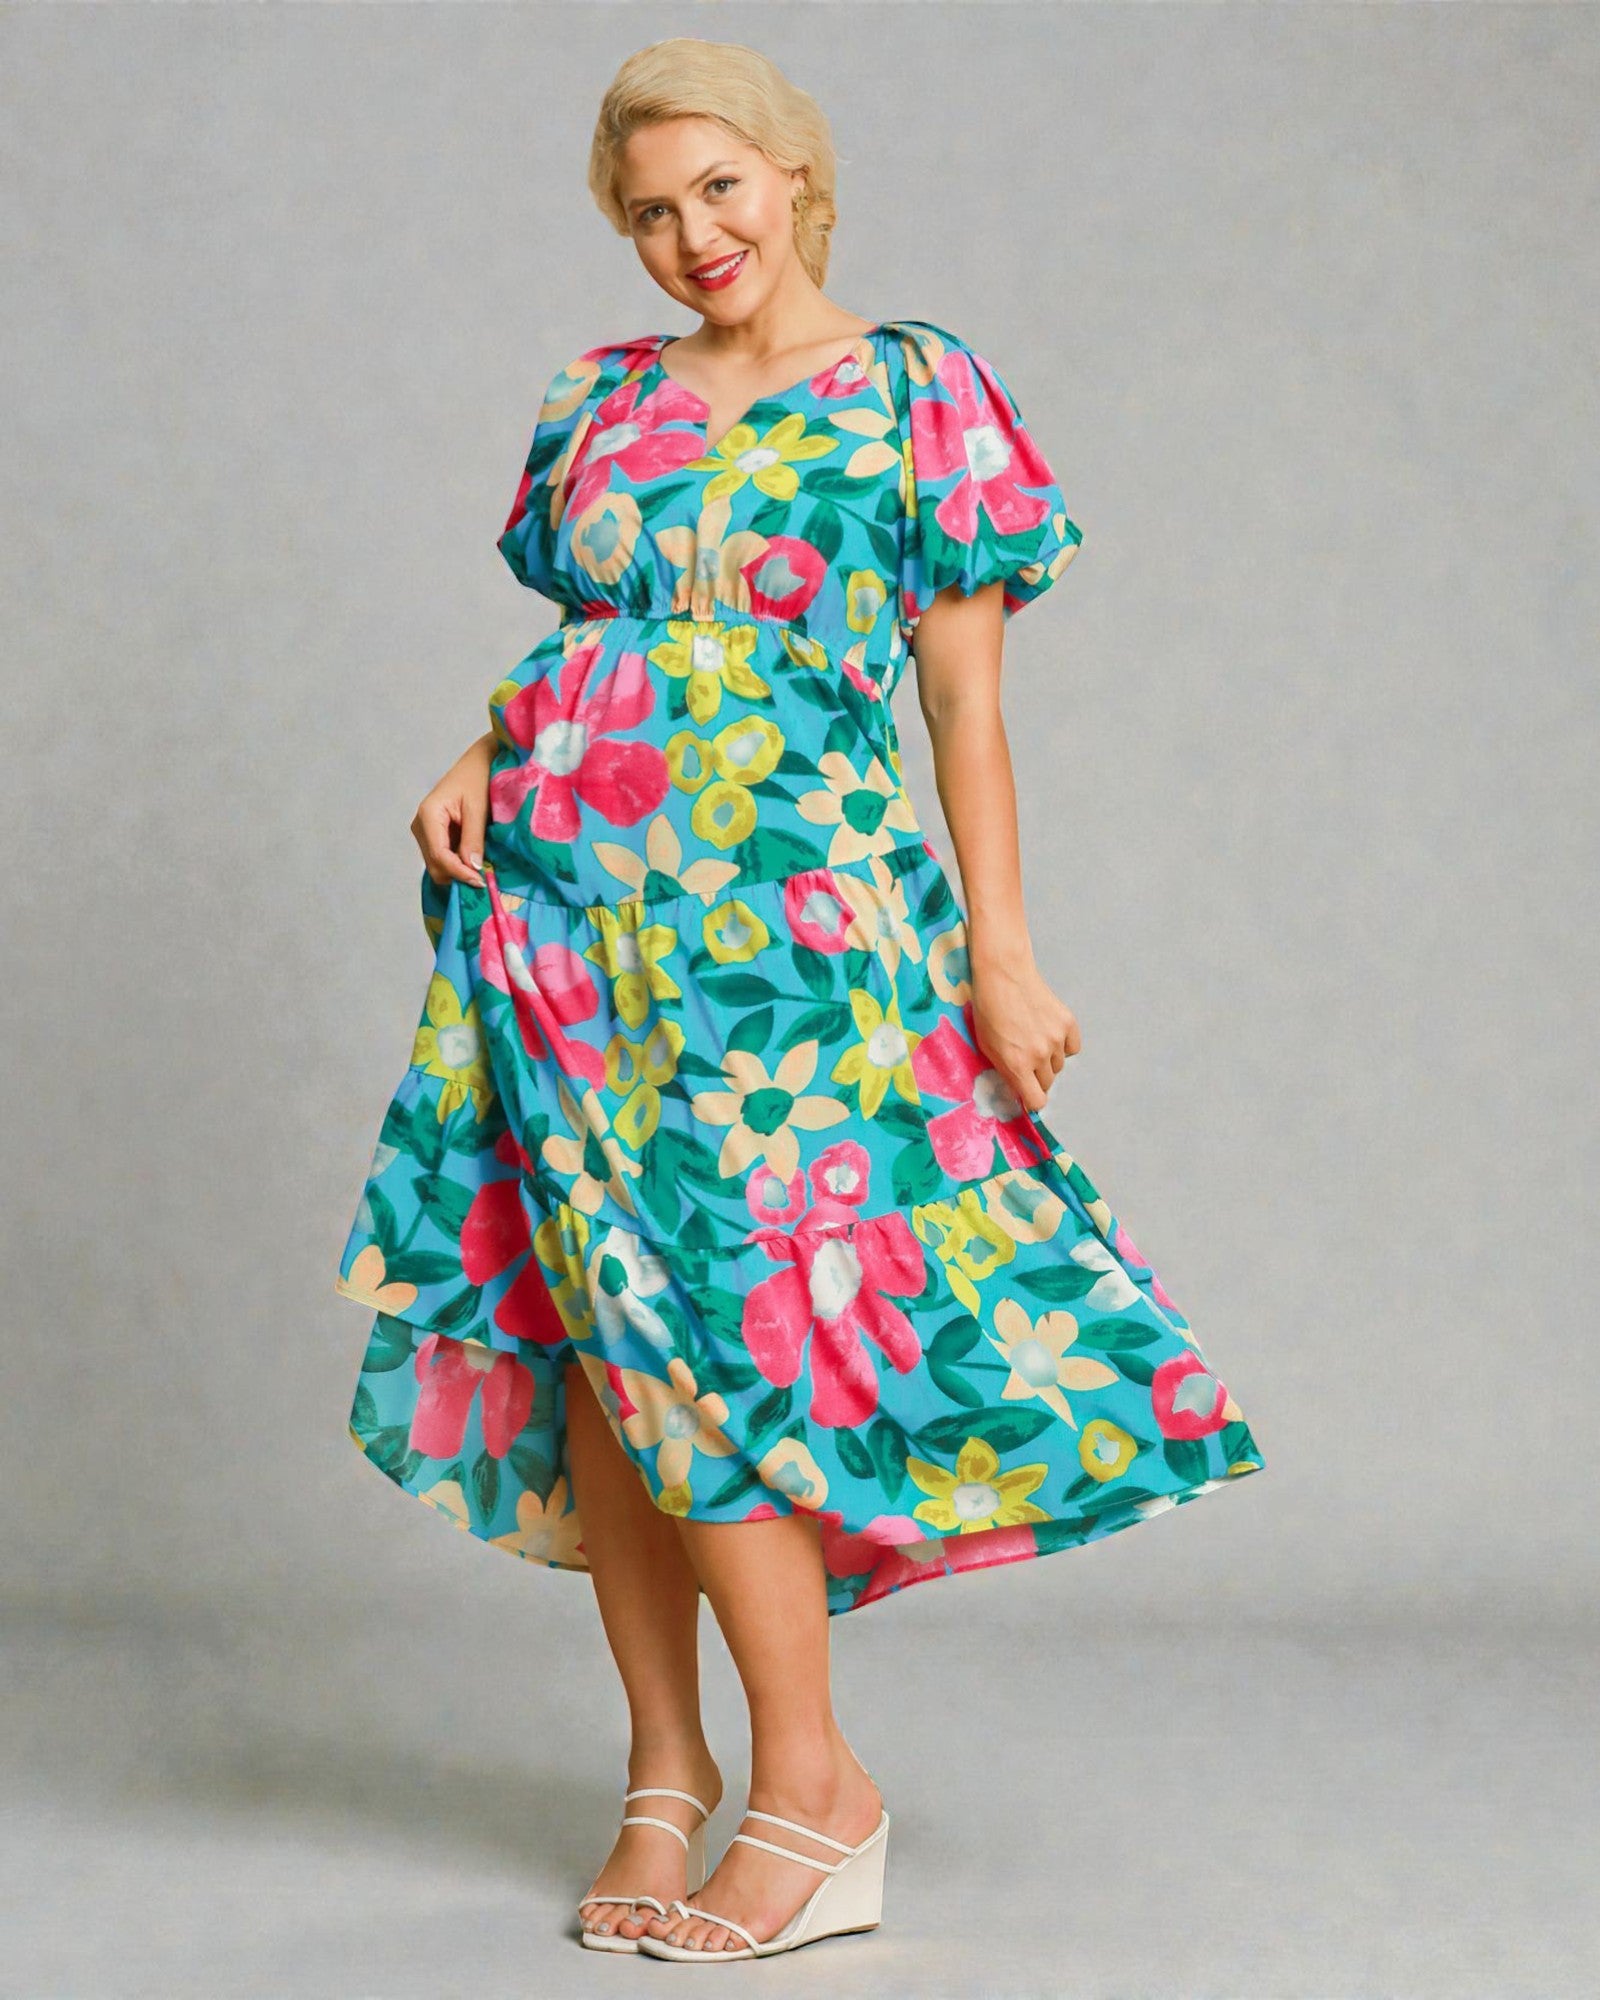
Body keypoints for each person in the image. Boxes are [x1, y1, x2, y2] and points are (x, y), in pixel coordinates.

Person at [333, 36, 1266, 1963]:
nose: (692, 238)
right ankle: (662, 1777)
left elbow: (962, 709)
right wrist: (483, 748)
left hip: (796, 944)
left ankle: (814, 1790)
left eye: (721, 192)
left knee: (729, 1337)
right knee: (605, 1327)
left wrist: (1001, 954)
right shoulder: (600, 401)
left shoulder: (915, 392)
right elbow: (611, 642)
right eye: (653, 211)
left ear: (796, 179)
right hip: (571, 923)